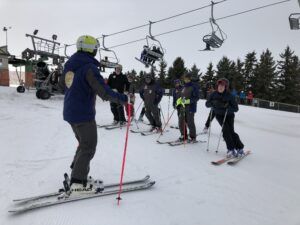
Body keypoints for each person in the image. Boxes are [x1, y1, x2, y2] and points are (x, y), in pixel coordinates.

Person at [62, 35, 128, 195]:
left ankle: (77, 174)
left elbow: (63, 85)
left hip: (71, 112)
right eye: (95, 48)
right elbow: (104, 92)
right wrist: (123, 99)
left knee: (83, 144)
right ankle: (78, 182)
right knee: (89, 146)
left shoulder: (70, 66)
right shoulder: (89, 67)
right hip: (83, 114)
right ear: (91, 49)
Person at [205, 78, 245, 157]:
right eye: (219, 85)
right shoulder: (213, 94)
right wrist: (213, 103)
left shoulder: (230, 96)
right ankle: (231, 149)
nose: (220, 87)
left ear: (226, 87)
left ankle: (239, 148)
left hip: (229, 115)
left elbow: (236, 109)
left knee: (231, 132)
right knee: (226, 130)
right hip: (219, 115)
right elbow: (207, 104)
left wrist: (226, 106)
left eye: (222, 86)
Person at [175, 73, 200, 142]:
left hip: (190, 108)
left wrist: (188, 101)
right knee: (181, 121)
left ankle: (193, 137)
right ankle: (184, 135)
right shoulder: (184, 87)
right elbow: (182, 96)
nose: (186, 80)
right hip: (183, 107)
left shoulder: (194, 87)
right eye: (185, 78)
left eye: (187, 78)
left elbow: (197, 98)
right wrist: (179, 100)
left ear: (190, 79)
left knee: (190, 122)